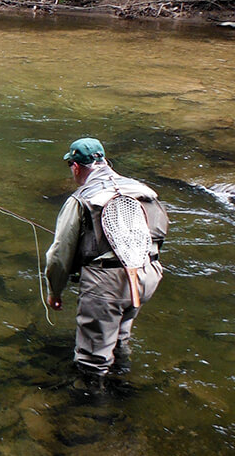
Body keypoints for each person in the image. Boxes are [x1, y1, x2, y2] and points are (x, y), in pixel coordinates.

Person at [45, 138, 168, 377]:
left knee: (92, 359)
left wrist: (55, 292)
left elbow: (59, 255)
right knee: (120, 337)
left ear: (76, 167)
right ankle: (123, 385)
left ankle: (93, 410)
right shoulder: (144, 190)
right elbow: (159, 233)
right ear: (104, 160)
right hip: (147, 273)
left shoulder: (80, 199)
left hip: (107, 284)